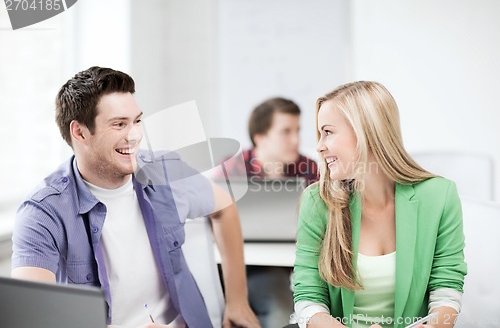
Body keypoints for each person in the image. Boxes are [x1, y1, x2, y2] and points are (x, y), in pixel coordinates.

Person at [11, 66, 261, 328]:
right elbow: (33, 317)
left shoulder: (164, 171)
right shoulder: (43, 212)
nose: (135, 135)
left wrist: (238, 300)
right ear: (80, 132)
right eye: (119, 124)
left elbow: (224, 207)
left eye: (137, 121)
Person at [293, 81, 467, 328]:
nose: (320, 146)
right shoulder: (316, 201)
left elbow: (447, 291)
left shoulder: (439, 196)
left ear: (367, 131)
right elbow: (308, 302)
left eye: (328, 132)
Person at [220, 97, 318, 328]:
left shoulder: (309, 169)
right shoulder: (231, 170)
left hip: (291, 265)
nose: (295, 140)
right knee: (278, 312)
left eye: (297, 130)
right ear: (260, 137)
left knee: (282, 313)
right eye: (285, 131)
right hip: (242, 265)